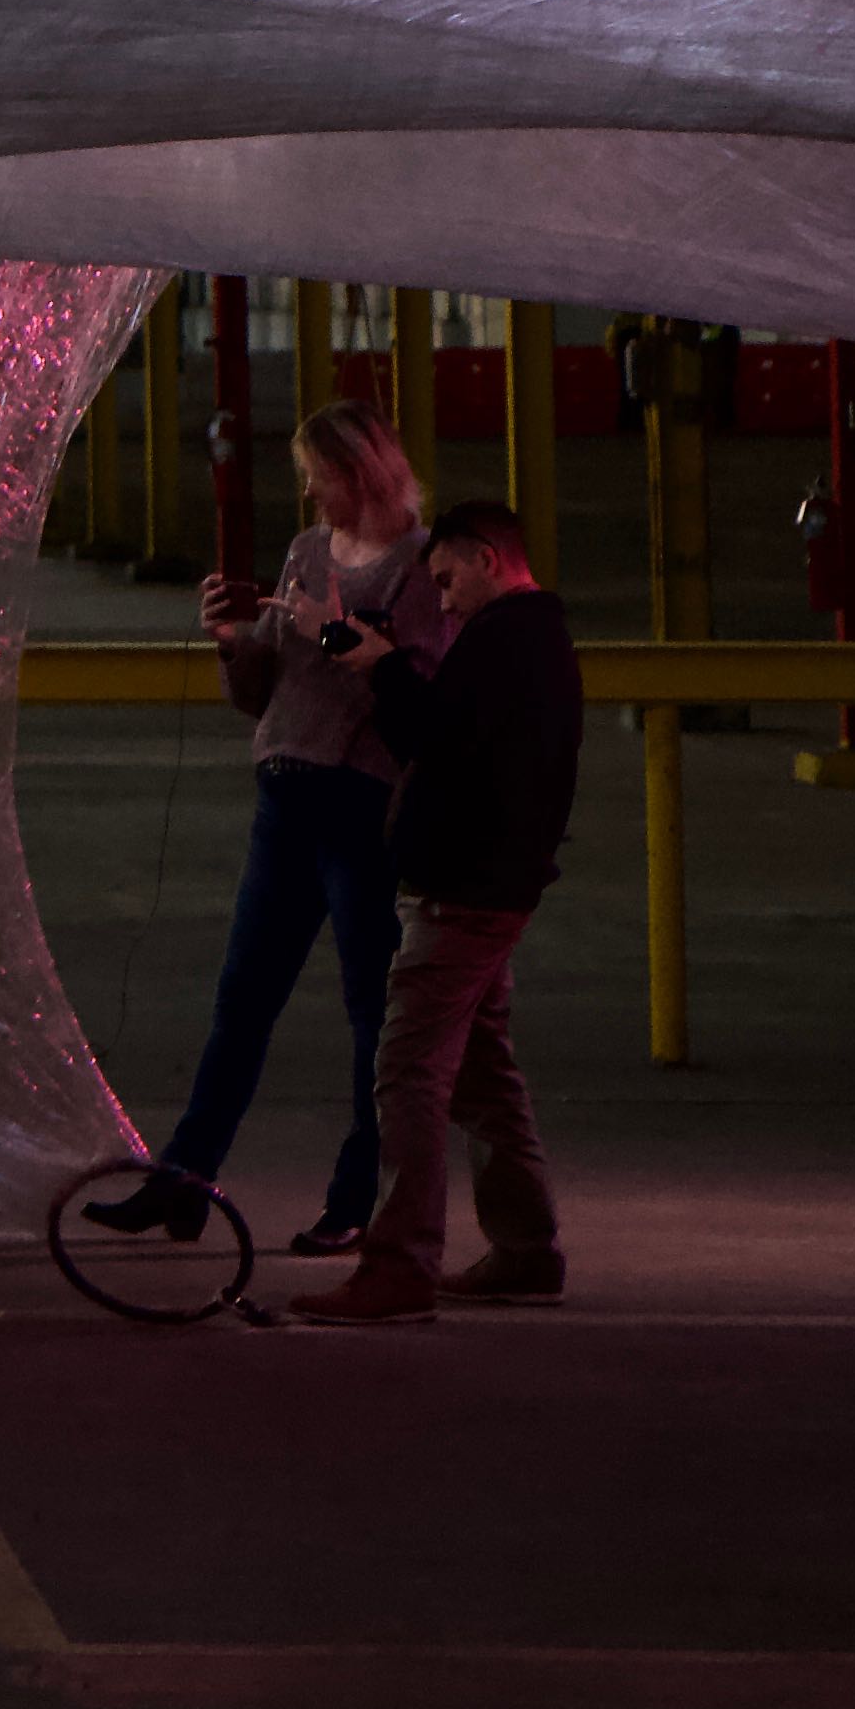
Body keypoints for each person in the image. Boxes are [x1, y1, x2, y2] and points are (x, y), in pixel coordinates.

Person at [84, 400, 438, 1255]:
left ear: (362, 472)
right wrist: (234, 641)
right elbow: (264, 689)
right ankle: (183, 1182)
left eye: (321, 477)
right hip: (284, 796)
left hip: (359, 805)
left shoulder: (419, 568)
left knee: (369, 1014)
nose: (311, 494)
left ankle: (357, 1201)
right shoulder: (307, 552)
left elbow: (417, 699)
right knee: (241, 1003)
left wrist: (340, 633)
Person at [292, 495, 583, 1325]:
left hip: (463, 895)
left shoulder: (503, 645)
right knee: (483, 1072)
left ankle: (399, 1266)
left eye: (449, 579)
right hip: (493, 890)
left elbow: (431, 737)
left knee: (408, 1071)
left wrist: (375, 663)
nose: (442, 599)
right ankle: (526, 1251)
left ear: (487, 559)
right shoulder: (534, 642)